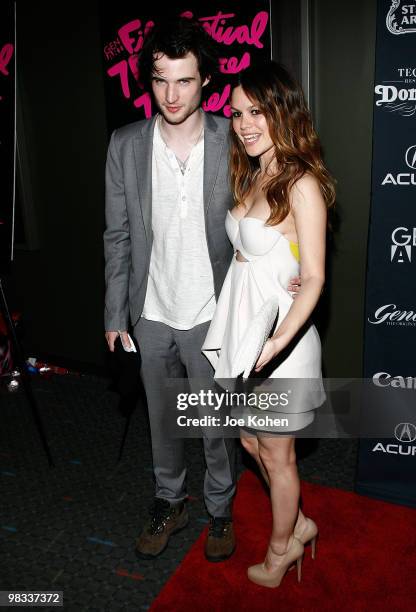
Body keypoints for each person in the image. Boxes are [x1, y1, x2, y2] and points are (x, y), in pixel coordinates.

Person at [104, 17, 301, 563]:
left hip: (215, 311)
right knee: (163, 421)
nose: (171, 94)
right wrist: (116, 313)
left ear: (205, 82)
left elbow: (285, 191)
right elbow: (117, 234)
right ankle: (171, 500)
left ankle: (219, 509)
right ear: (150, 78)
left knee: (217, 426)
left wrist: (300, 261)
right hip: (151, 312)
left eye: (184, 81)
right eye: (161, 79)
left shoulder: (232, 138)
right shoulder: (124, 145)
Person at [202, 60, 335, 586]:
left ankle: (282, 548)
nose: (245, 124)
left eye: (257, 111)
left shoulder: (300, 181)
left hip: (283, 343)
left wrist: (277, 341)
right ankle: (300, 522)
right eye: (236, 114)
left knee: (278, 457)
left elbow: (317, 277)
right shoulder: (258, 170)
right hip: (245, 334)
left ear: (282, 110)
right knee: (248, 439)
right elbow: (269, 254)